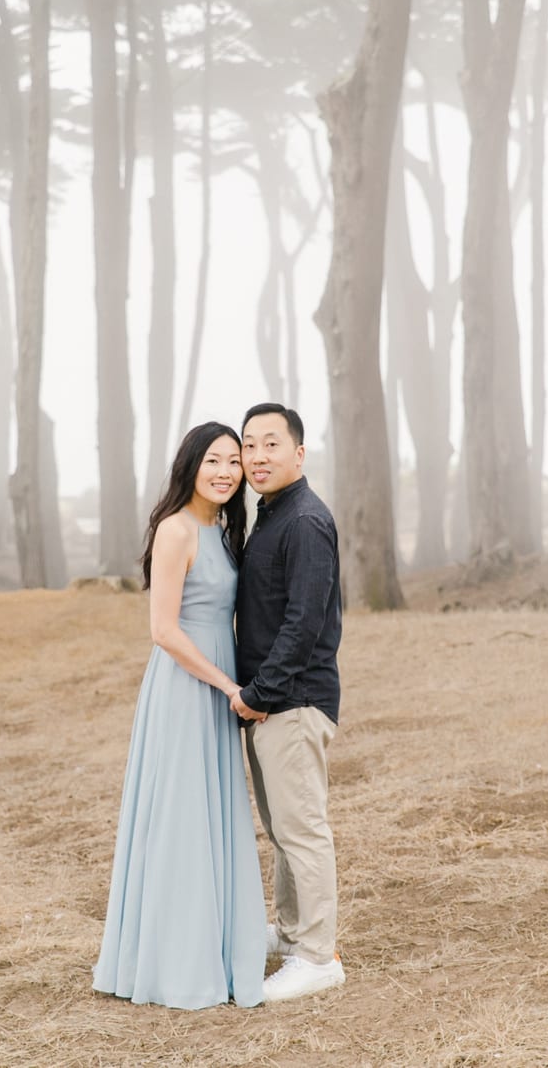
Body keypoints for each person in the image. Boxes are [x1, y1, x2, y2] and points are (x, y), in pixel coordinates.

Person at [93, 422, 266, 1010]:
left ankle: (218, 942)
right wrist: (228, 686)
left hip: (220, 686)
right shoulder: (176, 530)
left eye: (233, 462)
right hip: (188, 687)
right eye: (213, 460)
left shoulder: (224, 528)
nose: (225, 471)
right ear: (190, 465)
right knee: (182, 817)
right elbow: (162, 630)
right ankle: (175, 959)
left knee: (214, 813)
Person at [229, 402, 346, 1002]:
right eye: (250, 445)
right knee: (283, 829)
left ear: (299, 453)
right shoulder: (269, 515)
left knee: (303, 830)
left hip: (292, 702)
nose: (257, 456)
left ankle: (318, 956)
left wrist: (260, 695)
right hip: (273, 703)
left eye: (271, 444)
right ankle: (294, 930)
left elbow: (303, 623)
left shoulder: (303, 521)